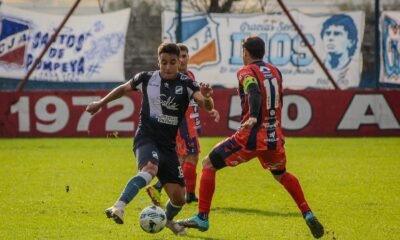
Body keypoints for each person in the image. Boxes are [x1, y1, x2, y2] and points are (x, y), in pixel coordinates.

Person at [177, 36, 324, 239]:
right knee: (281, 174)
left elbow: (254, 90)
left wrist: (254, 116)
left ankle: (202, 216)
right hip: (274, 137)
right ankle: (307, 212)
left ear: (245, 51)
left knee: (208, 163)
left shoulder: (246, 71)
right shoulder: (275, 71)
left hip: (251, 136)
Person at [86, 42, 215, 235]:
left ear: (179, 62)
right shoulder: (146, 78)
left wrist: (207, 97)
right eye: (164, 62)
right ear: (158, 61)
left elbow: (206, 106)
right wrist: (101, 103)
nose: (168, 67)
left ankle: (168, 220)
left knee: (180, 198)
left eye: (172, 62)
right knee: (149, 169)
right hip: (146, 138)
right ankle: (118, 207)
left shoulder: (187, 83)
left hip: (168, 147)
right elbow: (123, 89)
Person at [146, 43, 220, 206]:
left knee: (189, 157)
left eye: (185, 56)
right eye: (179, 57)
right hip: (182, 124)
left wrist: (209, 110)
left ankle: (190, 194)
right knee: (184, 157)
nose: (182, 59)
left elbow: (196, 98)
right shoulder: (173, 78)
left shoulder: (190, 75)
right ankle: (159, 187)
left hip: (190, 123)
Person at [320, 14, 359, 88]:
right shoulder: (316, 68)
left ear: (351, 42)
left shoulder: (356, 69)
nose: (330, 38)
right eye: (327, 33)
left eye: (337, 34)